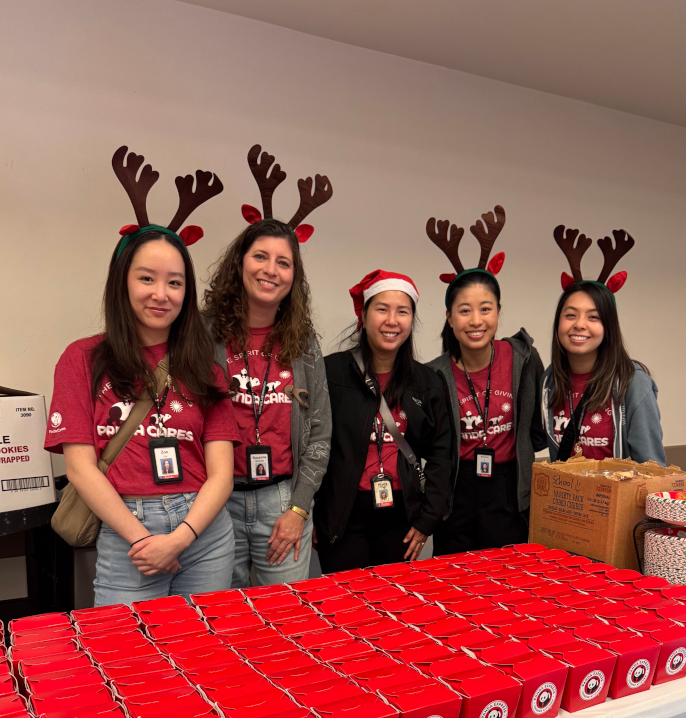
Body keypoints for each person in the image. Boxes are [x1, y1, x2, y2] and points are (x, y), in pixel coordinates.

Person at [45, 146, 236, 606]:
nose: (161, 294)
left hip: (204, 530)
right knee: (128, 655)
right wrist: (143, 539)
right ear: (122, 281)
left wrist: (182, 537)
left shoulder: (204, 367)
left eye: (175, 283)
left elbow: (222, 474)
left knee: (202, 651)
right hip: (126, 526)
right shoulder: (82, 358)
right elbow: (80, 469)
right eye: (147, 278)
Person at [204, 144, 333, 587]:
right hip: (215, 498)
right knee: (222, 620)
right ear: (239, 262)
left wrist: (299, 508)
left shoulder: (304, 346)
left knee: (284, 623)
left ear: (294, 276)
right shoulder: (203, 336)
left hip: (283, 497)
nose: (271, 270)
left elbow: (320, 433)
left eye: (284, 262)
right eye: (261, 257)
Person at [314, 270, 453, 572]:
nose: (392, 320)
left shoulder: (427, 382)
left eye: (402, 311)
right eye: (382, 309)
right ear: (363, 316)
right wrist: (310, 514)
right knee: (347, 609)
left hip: (400, 521)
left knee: (393, 610)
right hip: (342, 518)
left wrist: (428, 518)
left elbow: (442, 454)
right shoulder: (331, 373)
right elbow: (311, 445)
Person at [425, 206, 545, 554]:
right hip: (457, 494)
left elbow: (536, 427)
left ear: (498, 312)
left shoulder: (522, 358)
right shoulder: (434, 374)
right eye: (464, 310)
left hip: (510, 492)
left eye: (485, 309)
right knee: (454, 584)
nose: (475, 320)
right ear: (449, 318)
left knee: (510, 583)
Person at [542, 226, 665, 463]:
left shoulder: (632, 382)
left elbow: (652, 468)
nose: (580, 325)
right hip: (565, 499)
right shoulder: (549, 381)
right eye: (570, 315)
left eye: (593, 317)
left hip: (618, 500)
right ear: (558, 323)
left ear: (608, 327)